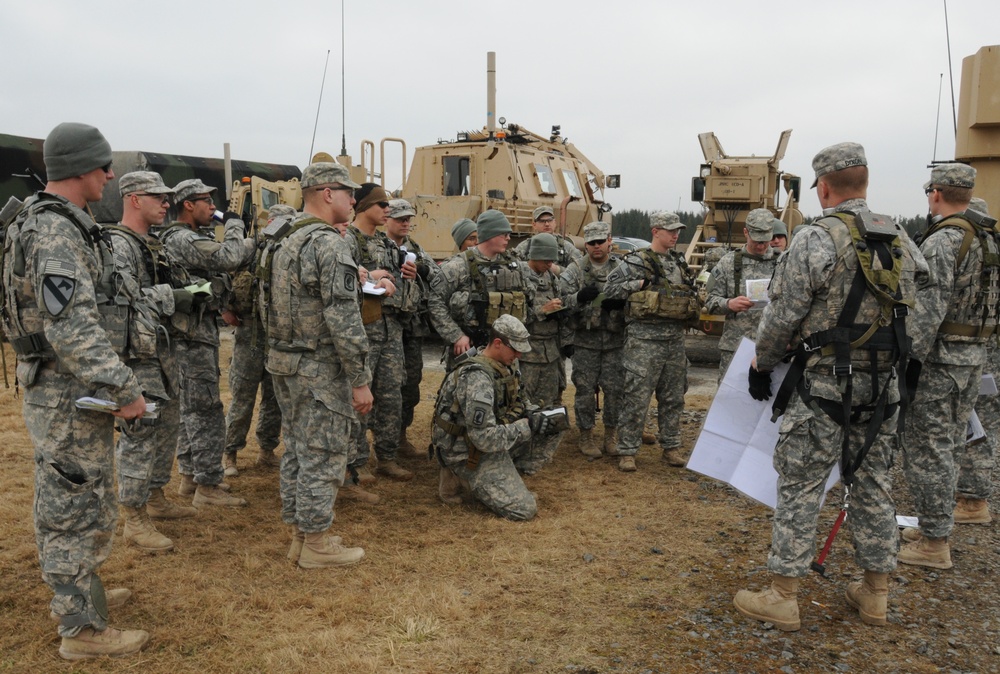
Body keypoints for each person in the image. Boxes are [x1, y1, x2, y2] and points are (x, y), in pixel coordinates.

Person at [734, 142, 925, 631]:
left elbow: (784, 313)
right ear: (865, 183)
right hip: (884, 387)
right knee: (875, 484)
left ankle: (783, 595)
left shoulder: (816, 238)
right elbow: (922, 301)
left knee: (800, 484)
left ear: (822, 187)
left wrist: (763, 361)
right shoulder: (899, 236)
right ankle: (876, 594)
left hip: (824, 386)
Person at [1, 123, 149, 658]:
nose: (110, 175)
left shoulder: (56, 222)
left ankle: (79, 594)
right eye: (104, 166)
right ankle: (80, 631)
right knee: (73, 503)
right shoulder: (56, 232)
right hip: (68, 392)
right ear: (82, 169)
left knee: (78, 495)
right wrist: (124, 389)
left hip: (67, 389)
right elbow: (72, 328)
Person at [255, 161, 370, 568]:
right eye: (348, 192)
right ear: (327, 193)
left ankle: (301, 534)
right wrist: (360, 379)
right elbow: (343, 318)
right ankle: (317, 544)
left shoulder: (280, 237)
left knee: (299, 450)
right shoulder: (328, 243)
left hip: (283, 362)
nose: (353, 200)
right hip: (318, 367)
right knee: (323, 452)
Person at [898, 163, 999, 569]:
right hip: (974, 356)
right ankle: (932, 525)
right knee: (953, 441)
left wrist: (908, 362)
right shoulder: (988, 239)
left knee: (929, 447)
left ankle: (934, 542)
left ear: (936, 193)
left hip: (940, 360)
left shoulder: (945, 241)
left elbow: (928, 312)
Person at [110, 171, 198, 554]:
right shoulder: (116, 244)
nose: (166, 203)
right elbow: (126, 297)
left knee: (167, 426)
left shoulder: (150, 244)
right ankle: (134, 517)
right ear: (133, 199)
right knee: (140, 434)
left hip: (159, 348)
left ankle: (156, 494)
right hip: (134, 354)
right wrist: (177, 295)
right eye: (157, 197)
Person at [162, 179, 255, 507]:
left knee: (191, 409)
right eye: (206, 201)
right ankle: (208, 486)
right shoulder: (183, 238)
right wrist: (233, 224)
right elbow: (229, 256)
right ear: (188, 204)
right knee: (205, 410)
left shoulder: (183, 238)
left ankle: (190, 478)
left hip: (191, 334)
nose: (212, 208)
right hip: (191, 337)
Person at [431, 315, 563, 519]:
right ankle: (459, 476)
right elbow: (483, 438)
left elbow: (520, 399)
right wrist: (526, 426)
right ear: (498, 343)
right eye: (515, 348)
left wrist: (535, 414)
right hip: (465, 451)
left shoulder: (506, 365)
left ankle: (505, 475)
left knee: (554, 423)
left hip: (491, 437)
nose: (519, 354)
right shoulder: (477, 378)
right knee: (524, 510)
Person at [604, 211, 698, 471]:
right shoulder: (636, 262)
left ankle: (671, 447)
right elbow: (609, 291)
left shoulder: (679, 263)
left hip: (674, 341)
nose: (675, 235)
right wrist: (640, 283)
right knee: (636, 397)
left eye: (677, 230)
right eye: (670, 230)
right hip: (643, 341)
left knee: (673, 397)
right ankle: (627, 450)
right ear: (655, 231)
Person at [344, 184, 412, 485]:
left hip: (390, 330)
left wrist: (405, 279)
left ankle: (386, 457)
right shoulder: (347, 241)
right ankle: (356, 464)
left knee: (390, 396)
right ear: (364, 207)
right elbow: (341, 282)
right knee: (359, 400)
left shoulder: (387, 245)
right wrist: (370, 278)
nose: (388, 210)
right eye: (382, 204)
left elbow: (401, 281)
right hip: (362, 331)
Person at [222, 204, 295, 475]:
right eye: (282, 222)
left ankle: (266, 450)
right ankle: (230, 454)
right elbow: (220, 272)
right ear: (271, 221)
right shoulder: (250, 247)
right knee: (243, 395)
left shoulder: (289, 252)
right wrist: (225, 309)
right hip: (249, 333)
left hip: (277, 334)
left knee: (274, 397)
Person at [428, 210, 535, 370]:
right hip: (470, 349)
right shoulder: (458, 266)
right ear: (489, 234)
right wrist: (456, 336)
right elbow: (435, 302)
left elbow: (529, 299)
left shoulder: (515, 266)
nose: (508, 238)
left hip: (506, 352)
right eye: (503, 234)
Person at [558, 221, 627, 457]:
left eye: (601, 241)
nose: (597, 247)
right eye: (592, 243)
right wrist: (578, 297)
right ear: (585, 245)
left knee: (615, 389)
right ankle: (586, 436)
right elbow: (559, 302)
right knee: (585, 390)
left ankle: (611, 435)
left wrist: (623, 302)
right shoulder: (576, 269)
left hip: (615, 341)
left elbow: (637, 296)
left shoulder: (623, 268)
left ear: (609, 240)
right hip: (585, 342)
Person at [383, 199, 439, 456]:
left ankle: (400, 437)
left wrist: (421, 269)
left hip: (411, 328)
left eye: (408, 218)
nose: (406, 223)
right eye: (400, 218)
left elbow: (440, 278)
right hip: (383, 325)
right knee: (384, 386)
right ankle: (382, 443)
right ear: (387, 219)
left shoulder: (415, 248)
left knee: (410, 383)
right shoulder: (377, 246)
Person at [704, 208, 779, 381]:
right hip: (736, 347)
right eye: (756, 241)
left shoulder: (782, 262)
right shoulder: (728, 263)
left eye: (765, 241)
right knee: (730, 400)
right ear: (745, 232)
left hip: (771, 348)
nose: (761, 245)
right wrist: (729, 304)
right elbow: (709, 301)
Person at [519, 233, 568, 408]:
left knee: (548, 401)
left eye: (552, 261)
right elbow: (511, 318)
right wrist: (541, 311)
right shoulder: (518, 275)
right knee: (523, 400)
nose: (550, 265)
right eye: (546, 260)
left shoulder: (551, 277)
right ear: (535, 255)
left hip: (551, 351)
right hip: (527, 353)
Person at [513, 206, 583, 271]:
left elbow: (580, 268)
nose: (546, 224)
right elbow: (514, 267)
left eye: (549, 220)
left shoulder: (565, 247)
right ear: (534, 225)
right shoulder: (525, 247)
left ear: (555, 222)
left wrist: (557, 270)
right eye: (542, 221)